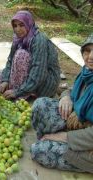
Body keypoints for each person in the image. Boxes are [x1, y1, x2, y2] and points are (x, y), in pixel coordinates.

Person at [30, 34, 93, 173]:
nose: (91, 57)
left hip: (90, 146)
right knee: (40, 104)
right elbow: (71, 90)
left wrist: (63, 137)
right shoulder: (87, 73)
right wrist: (66, 97)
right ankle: (53, 138)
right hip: (79, 127)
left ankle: (57, 142)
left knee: (39, 150)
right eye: (87, 50)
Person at [0, 10, 60, 100]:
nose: (17, 29)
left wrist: (18, 92)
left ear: (29, 24)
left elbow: (38, 72)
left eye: (21, 25)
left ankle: (25, 93)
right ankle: (18, 87)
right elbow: (10, 60)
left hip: (44, 81)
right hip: (28, 76)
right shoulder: (18, 39)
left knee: (21, 55)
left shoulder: (39, 40)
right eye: (15, 26)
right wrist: (5, 80)